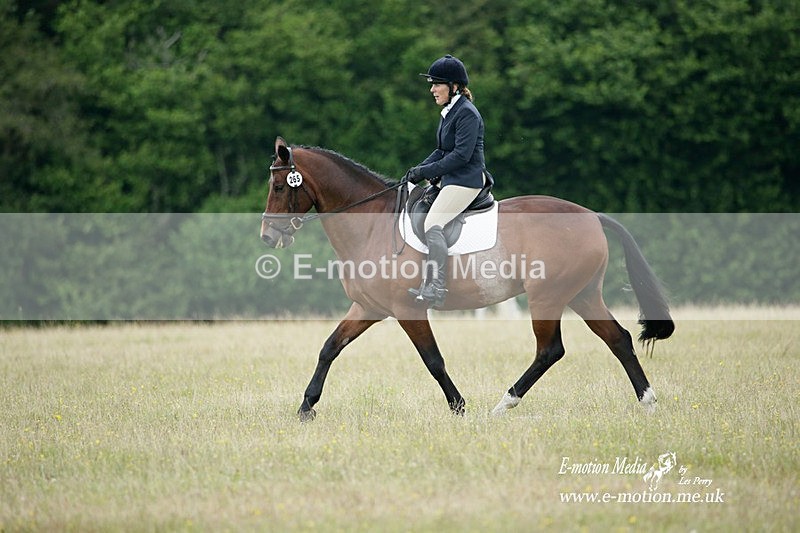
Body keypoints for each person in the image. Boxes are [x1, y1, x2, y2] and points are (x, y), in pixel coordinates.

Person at [406, 54, 494, 307]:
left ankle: (436, 287)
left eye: (437, 84)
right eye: (432, 84)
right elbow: (442, 150)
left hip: (466, 180)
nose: (432, 89)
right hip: (451, 179)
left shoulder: (467, 114)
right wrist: (418, 169)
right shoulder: (450, 111)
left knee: (433, 223)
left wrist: (426, 172)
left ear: (454, 86)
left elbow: (460, 156)